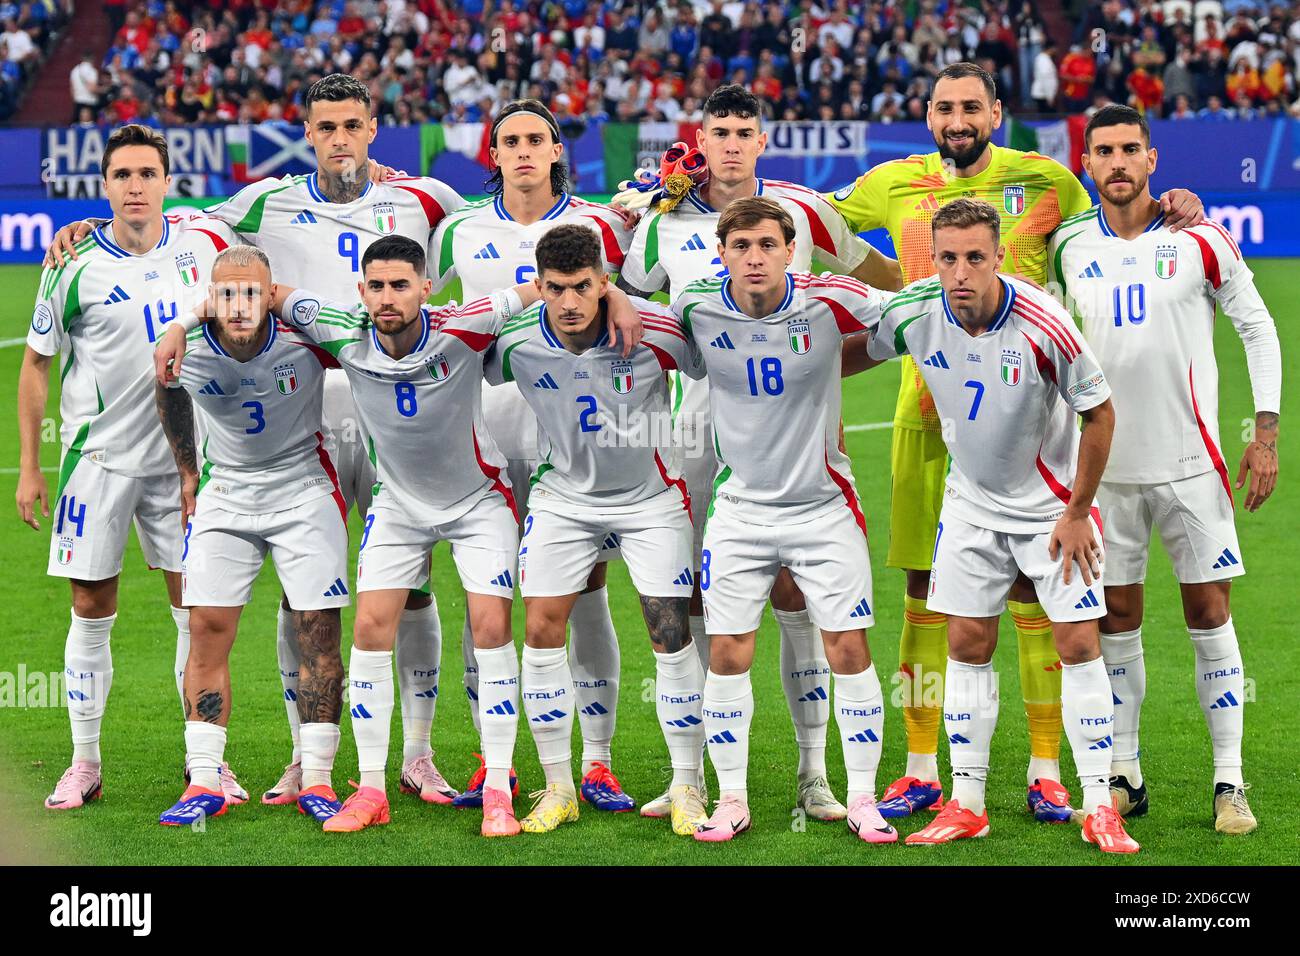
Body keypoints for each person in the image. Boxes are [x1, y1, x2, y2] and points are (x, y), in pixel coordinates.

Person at [45, 73, 467, 808]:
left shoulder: (427, 198)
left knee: (415, 584)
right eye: (326, 126)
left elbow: (500, 231)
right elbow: (169, 226)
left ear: (375, 128)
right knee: (305, 596)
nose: (340, 138)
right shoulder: (264, 201)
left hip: (393, 409)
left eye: (353, 125)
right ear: (308, 132)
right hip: (303, 408)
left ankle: (420, 755)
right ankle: (306, 762)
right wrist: (86, 226)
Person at [825, 62, 1203, 823]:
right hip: (924, 414)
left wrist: (1171, 205)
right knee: (926, 595)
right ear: (926, 114)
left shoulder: (1046, 178)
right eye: (943, 107)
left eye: (971, 106)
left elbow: (1112, 211)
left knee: (1038, 597)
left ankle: (1046, 769)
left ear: (996, 112)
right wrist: (894, 275)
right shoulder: (892, 182)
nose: (957, 119)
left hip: (1032, 416)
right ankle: (924, 768)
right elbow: (817, 227)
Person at [616, 83, 902, 823]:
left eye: (746, 130)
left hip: (798, 447)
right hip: (689, 442)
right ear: (700, 140)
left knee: (797, 601)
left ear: (762, 140)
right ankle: (694, 779)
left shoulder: (805, 212)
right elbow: (626, 305)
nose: (733, 143)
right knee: (692, 607)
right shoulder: (657, 222)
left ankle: (816, 776)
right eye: (721, 131)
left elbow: (879, 278)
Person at [867, 197, 1138, 854]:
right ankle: (966, 802)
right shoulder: (913, 308)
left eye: (975, 258)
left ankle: (1101, 804)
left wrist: (1077, 511)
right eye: (948, 258)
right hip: (969, 505)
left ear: (998, 258)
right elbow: (856, 348)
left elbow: (1099, 415)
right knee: (966, 644)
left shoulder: (1045, 322)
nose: (961, 273)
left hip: (1051, 509)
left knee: (1077, 645)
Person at [1050, 105, 1281, 835]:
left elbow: (1258, 325)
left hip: (1192, 466)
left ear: (1153, 159)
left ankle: (1229, 782)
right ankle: (1124, 772)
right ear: (1088, 163)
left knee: (1208, 613)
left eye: (1130, 150)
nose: (1118, 163)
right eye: (1104, 152)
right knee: (1117, 618)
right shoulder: (1065, 246)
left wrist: (1264, 432)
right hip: (1104, 474)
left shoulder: (1201, 239)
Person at [18, 124, 246, 811]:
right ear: (106, 185)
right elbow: (36, 365)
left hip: (187, 464)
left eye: (148, 173)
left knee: (196, 613)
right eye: (123, 175)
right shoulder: (72, 263)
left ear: (168, 182)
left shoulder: (204, 242)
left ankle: (202, 763)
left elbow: (282, 209)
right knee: (90, 607)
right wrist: (31, 466)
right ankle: (84, 762)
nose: (136, 186)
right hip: (97, 464)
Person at [428, 100, 638, 811]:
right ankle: (497, 765)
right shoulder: (457, 228)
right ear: (495, 153)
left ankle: (598, 761)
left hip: (575, 439)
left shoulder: (605, 223)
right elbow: (429, 312)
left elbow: (637, 302)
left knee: (581, 595)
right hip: (482, 436)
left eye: (536, 140)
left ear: (556, 150)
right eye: (509, 141)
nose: (523, 151)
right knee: (485, 597)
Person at [670, 197, 896, 845]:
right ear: (723, 254)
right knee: (729, 653)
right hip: (738, 510)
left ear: (789, 249)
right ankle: (732, 798)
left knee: (848, 649)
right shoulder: (696, 305)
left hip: (825, 509)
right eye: (741, 246)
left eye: (768, 244)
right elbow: (638, 324)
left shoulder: (829, 299)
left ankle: (861, 798)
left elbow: (908, 315)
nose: (755, 257)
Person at [483, 224, 707, 836]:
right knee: (540, 630)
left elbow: (714, 333)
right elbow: (452, 339)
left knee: (670, 634)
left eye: (585, 287)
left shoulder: (653, 329)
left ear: (604, 282)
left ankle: (688, 784)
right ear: (540, 287)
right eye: (556, 289)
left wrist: (631, 301)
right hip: (564, 501)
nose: (571, 302)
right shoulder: (515, 342)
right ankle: (558, 786)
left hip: (651, 499)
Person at [155, 246, 348, 826]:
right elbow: (164, 390)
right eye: (226, 293)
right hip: (226, 497)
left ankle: (316, 776)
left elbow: (364, 336)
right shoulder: (187, 350)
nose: (238, 305)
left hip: (303, 491)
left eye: (251, 292)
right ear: (209, 299)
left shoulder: (303, 337)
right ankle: (205, 779)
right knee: (207, 627)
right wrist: (188, 469)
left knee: (317, 630)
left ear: (272, 295)